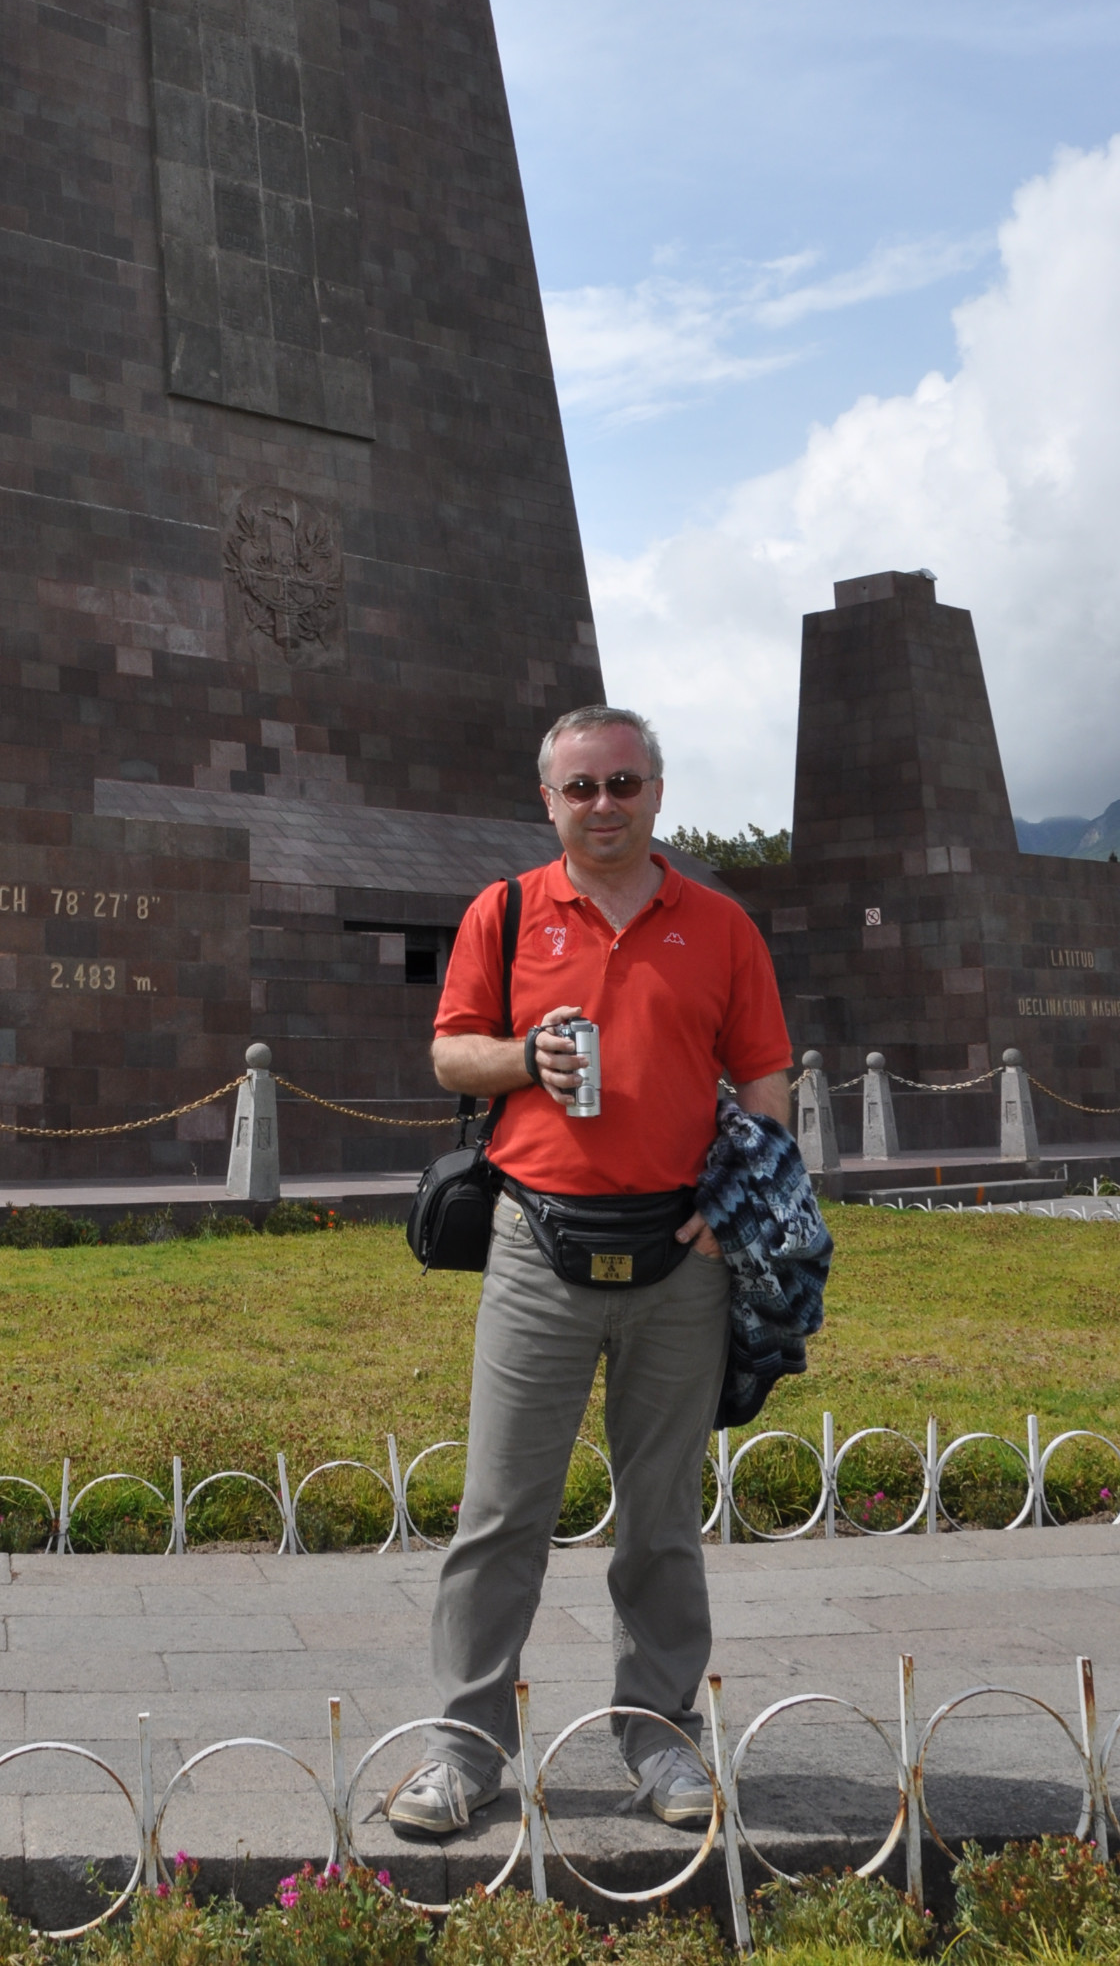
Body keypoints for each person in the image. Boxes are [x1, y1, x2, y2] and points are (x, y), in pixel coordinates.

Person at [386, 705, 792, 1837]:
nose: (601, 804)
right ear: (548, 799)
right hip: (534, 1241)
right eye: (580, 787)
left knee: (658, 1519)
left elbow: (763, 1074)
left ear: (656, 791)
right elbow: (448, 1047)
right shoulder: (504, 909)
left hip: (681, 1253)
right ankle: (464, 1751)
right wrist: (526, 1056)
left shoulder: (714, 923)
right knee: (500, 1510)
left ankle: (659, 1742)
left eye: (622, 783)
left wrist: (735, 1207)